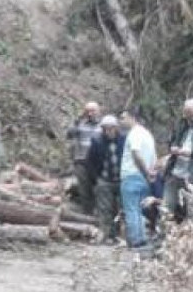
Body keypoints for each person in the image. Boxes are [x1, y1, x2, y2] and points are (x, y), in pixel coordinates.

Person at [119, 109, 157, 249]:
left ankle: (136, 240)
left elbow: (136, 153)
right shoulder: (147, 134)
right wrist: (151, 173)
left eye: (123, 118)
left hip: (132, 174)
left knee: (131, 209)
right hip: (144, 178)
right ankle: (141, 238)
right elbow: (153, 157)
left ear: (133, 118)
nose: (121, 121)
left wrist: (146, 171)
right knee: (139, 209)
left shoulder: (134, 134)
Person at [86, 114, 124, 242]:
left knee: (119, 208)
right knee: (104, 208)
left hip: (121, 179)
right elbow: (90, 162)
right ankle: (106, 234)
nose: (108, 131)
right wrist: (96, 178)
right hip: (104, 179)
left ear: (116, 128)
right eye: (105, 129)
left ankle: (118, 234)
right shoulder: (97, 141)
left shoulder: (124, 140)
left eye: (111, 128)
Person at [67, 101, 103, 214]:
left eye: (93, 111)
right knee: (84, 189)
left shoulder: (103, 126)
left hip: (98, 162)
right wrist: (76, 121)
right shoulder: (80, 124)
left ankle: (99, 213)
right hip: (81, 160)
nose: (90, 113)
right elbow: (69, 134)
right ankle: (87, 214)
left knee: (99, 187)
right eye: (88, 111)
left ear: (99, 111)